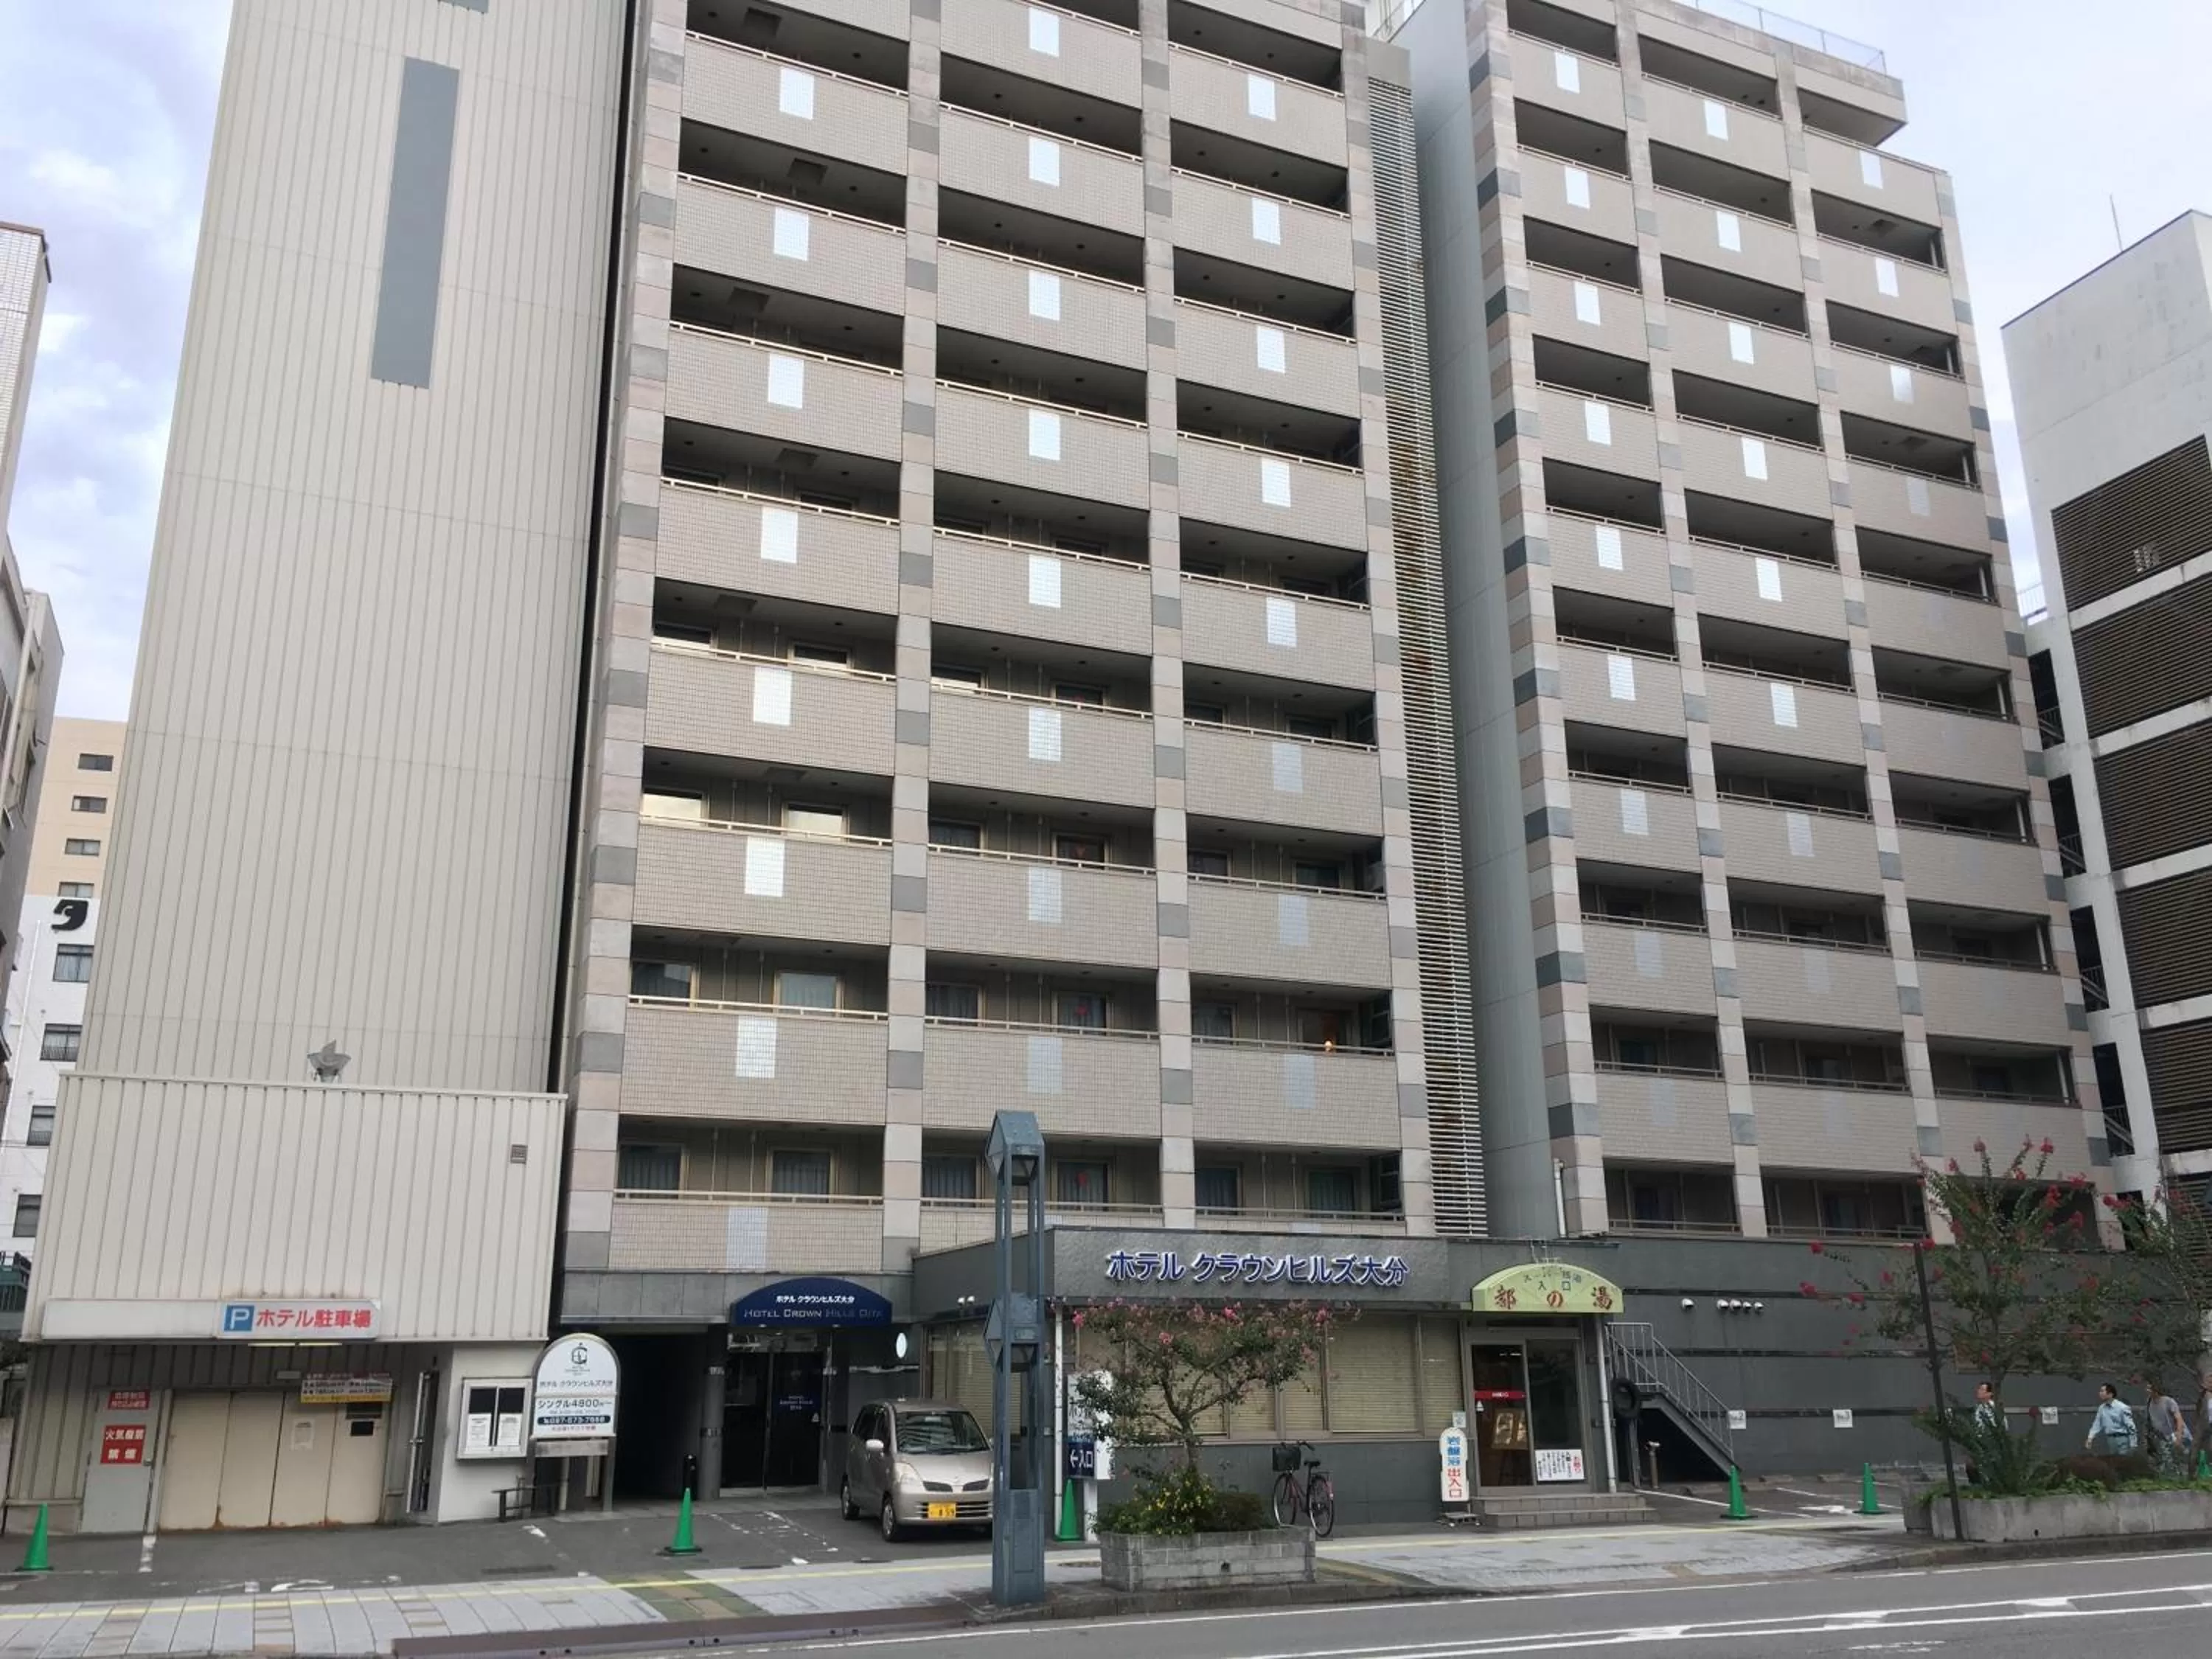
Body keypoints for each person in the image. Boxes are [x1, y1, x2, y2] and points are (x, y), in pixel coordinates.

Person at [2144, 1380, 2192, 1473]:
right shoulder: (2149, 1401)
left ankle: (2184, 1478)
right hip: (2162, 1436)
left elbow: (2179, 1418)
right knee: (2167, 1460)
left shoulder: (2168, 1401)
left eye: (2149, 1388)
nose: (2147, 1390)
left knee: (2181, 1459)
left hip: (2174, 1434)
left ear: (2155, 1390)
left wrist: (2179, 1436)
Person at [2087, 1382, 2139, 1458]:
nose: (2100, 1393)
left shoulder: (2122, 1407)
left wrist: (2133, 1443)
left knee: (2123, 1461)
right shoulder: (2102, 1408)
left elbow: (2130, 1426)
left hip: (2122, 1437)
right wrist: (2090, 1438)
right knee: (2113, 1461)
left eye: (2102, 1391)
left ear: (2110, 1394)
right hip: (2110, 1439)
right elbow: (2097, 1424)